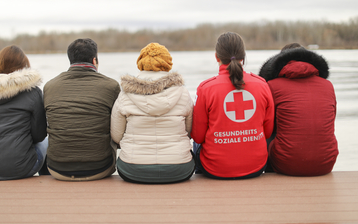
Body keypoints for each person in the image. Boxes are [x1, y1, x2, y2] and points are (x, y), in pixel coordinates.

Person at [191, 32, 274, 179]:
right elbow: (267, 133)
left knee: (197, 144)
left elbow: (197, 136)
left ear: (217, 57)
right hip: (256, 167)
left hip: (215, 168)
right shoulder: (262, 85)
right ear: (244, 56)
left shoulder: (206, 88)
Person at [111, 43, 195, 184]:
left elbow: (116, 136)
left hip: (132, 169)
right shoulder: (183, 93)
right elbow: (190, 132)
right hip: (179, 169)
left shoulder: (125, 94)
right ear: (167, 63)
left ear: (141, 63)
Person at [44, 38, 120, 181]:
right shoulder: (111, 86)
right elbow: (118, 131)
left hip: (57, 169)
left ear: (70, 59)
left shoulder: (49, 86)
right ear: (94, 60)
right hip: (100, 168)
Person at [259, 43, 338, 176]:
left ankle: (268, 174)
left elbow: (266, 126)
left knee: (266, 126)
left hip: (286, 164)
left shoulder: (272, 86)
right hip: (326, 163)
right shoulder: (328, 85)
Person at [0, 45, 48, 181]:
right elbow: (39, 135)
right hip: (19, 168)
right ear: (24, 65)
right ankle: (47, 182)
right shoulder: (32, 92)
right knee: (48, 140)